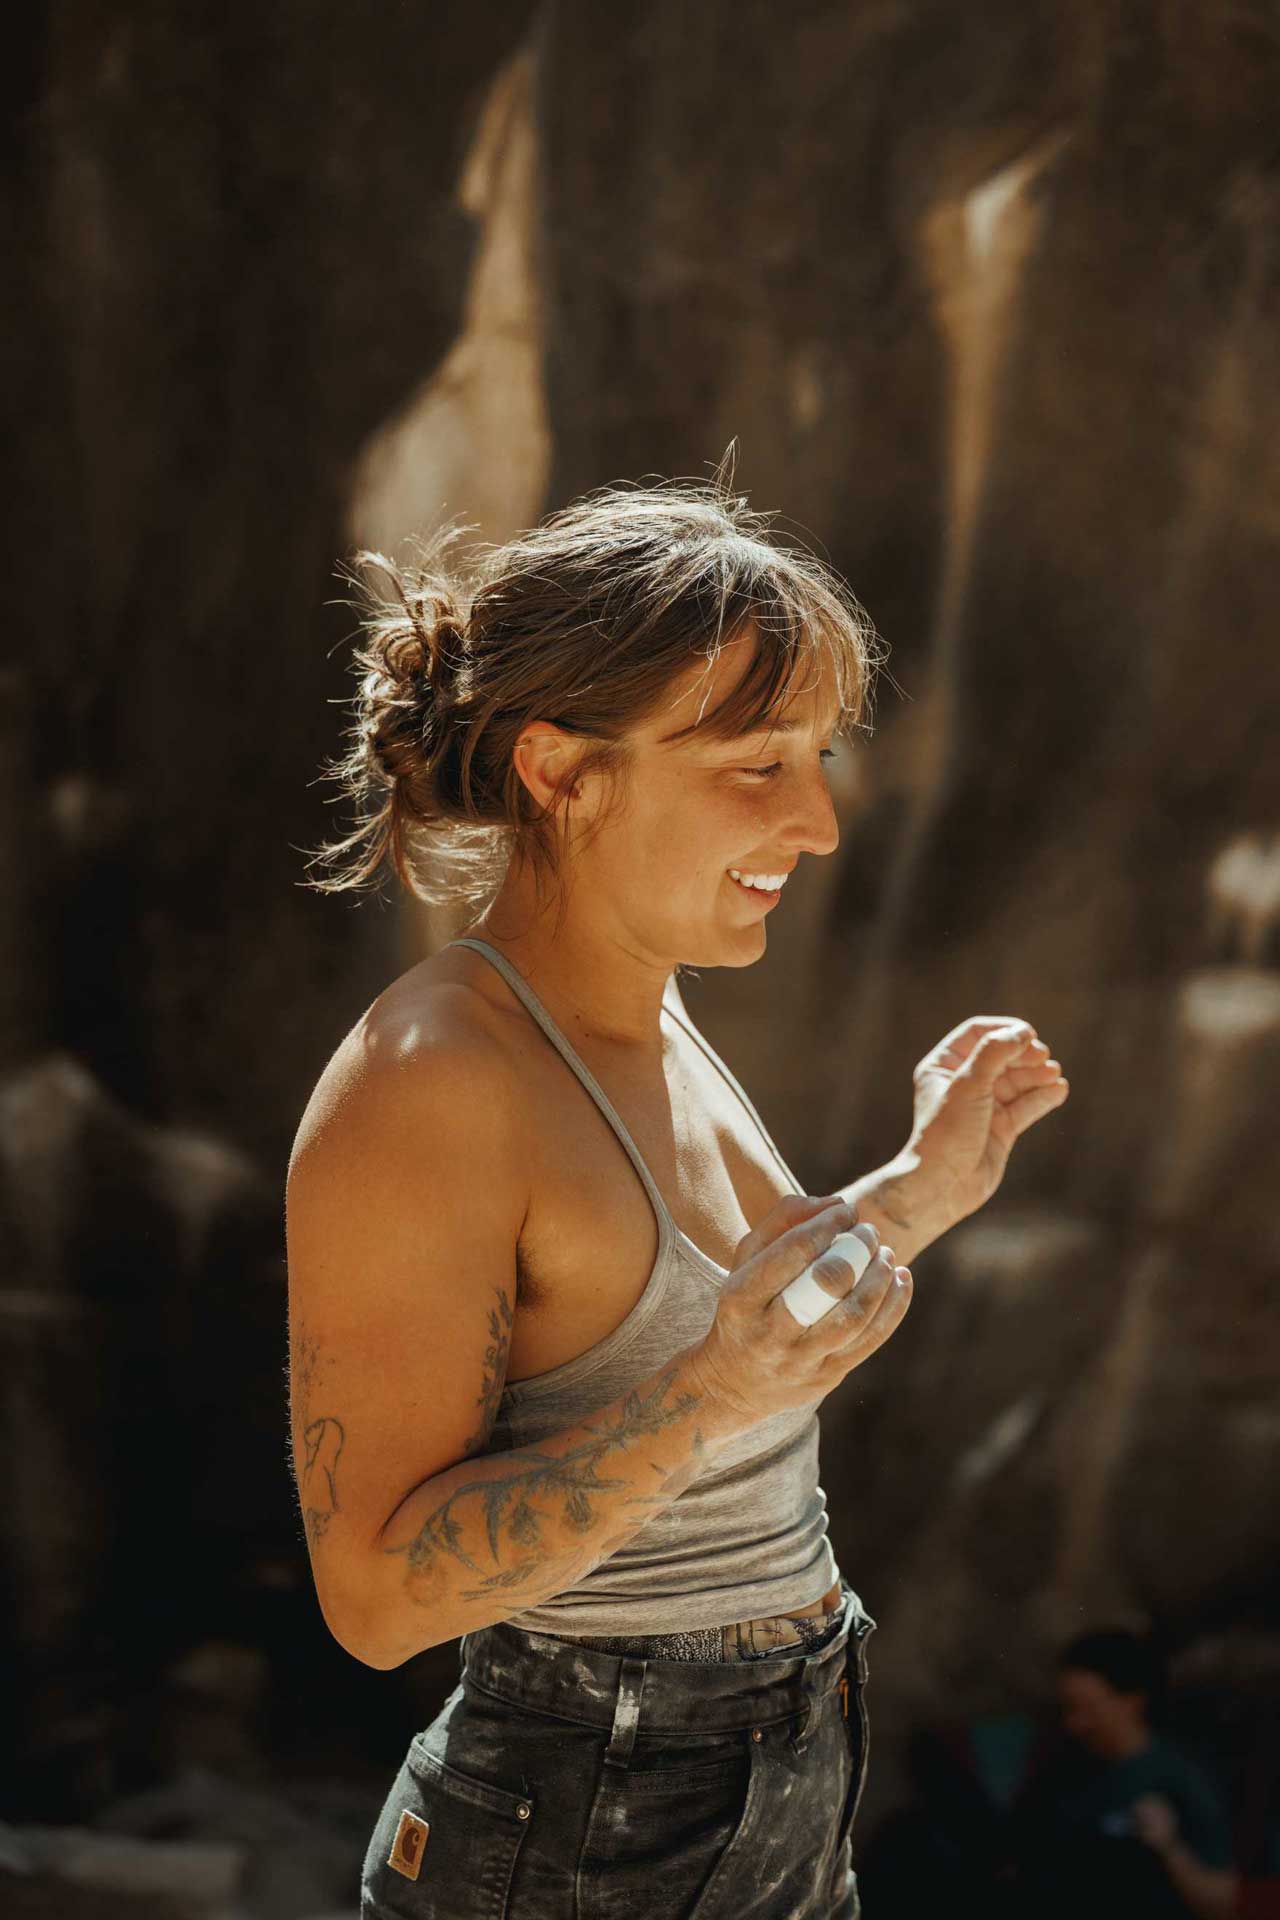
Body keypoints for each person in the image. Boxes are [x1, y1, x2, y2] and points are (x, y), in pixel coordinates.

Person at [285, 448, 1069, 1918]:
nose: (820, 824)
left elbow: (702, 1332)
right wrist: (706, 1395)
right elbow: (380, 1599)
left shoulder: (650, 1007)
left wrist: (914, 1194)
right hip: (588, 1824)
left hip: (785, 1774)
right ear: (560, 768)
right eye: (754, 767)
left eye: (820, 758)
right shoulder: (431, 1080)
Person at [1006, 1627, 1238, 1920]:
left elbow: (1221, 1905)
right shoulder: (1063, 1772)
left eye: (1089, 1708)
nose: (1076, 1723)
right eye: (1069, 1708)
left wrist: (1170, 1848)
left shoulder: (1182, 1777)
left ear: (1132, 1701)